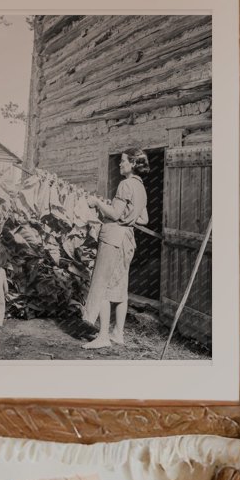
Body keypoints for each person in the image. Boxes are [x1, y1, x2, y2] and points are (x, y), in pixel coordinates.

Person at [81, 149, 150, 348]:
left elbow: (114, 213)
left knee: (103, 286)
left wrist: (97, 203)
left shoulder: (125, 184)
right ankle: (118, 333)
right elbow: (144, 219)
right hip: (128, 240)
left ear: (133, 164)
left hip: (113, 238)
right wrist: (128, 216)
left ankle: (102, 337)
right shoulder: (140, 187)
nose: (119, 165)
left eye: (122, 161)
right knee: (120, 288)